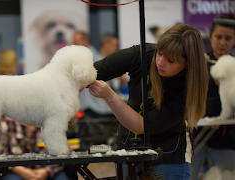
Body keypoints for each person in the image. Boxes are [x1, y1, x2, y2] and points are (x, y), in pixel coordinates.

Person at [88, 24, 209, 179]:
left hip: (169, 153)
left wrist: (109, 96)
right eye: (160, 53)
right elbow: (89, 73)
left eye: (171, 61)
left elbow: (141, 126)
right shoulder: (142, 54)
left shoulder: (188, 88)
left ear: (187, 63)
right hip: (129, 147)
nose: (160, 62)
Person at [0, 49, 70, 180]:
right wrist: (22, 171)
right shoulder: (7, 121)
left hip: (44, 169)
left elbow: (61, 154)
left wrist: (46, 171)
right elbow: (1, 154)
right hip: (18, 170)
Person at [190, 14, 235, 180]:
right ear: (210, 37)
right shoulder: (198, 62)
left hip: (227, 139)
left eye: (228, 38)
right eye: (218, 37)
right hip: (196, 138)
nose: (222, 42)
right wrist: (194, 65)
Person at [73, 32, 118, 149]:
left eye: (76, 43)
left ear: (85, 42)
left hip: (98, 110)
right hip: (94, 109)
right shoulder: (87, 59)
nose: (73, 46)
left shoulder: (91, 59)